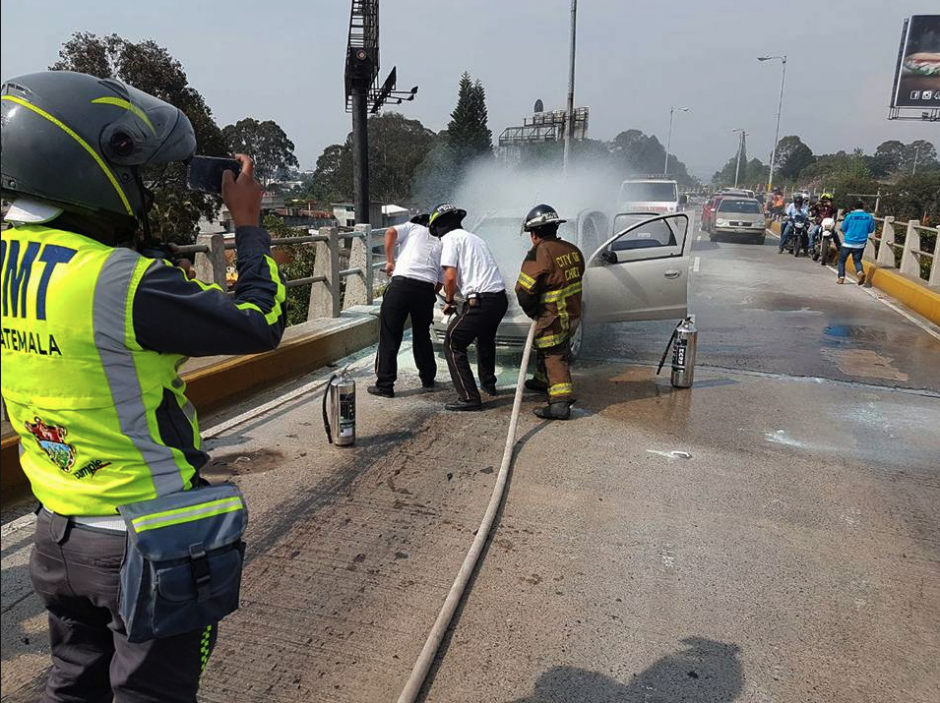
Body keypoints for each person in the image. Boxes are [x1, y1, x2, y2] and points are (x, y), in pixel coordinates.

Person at [0, 71, 285, 702]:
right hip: (143, 539)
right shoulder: (119, 281)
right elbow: (260, 321)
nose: (140, 192)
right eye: (133, 174)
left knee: (73, 685)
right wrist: (248, 225)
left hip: (57, 534)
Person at [433, 203, 509, 411]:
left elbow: (450, 277)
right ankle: (488, 384)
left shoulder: (449, 240)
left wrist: (449, 301)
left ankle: (469, 398)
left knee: (453, 342)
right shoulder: (475, 238)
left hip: (481, 302)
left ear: (438, 227)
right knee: (485, 340)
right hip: (498, 299)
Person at [515, 204, 586, 421]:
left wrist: (532, 311)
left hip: (553, 316)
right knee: (552, 347)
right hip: (572, 313)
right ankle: (541, 380)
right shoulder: (572, 250)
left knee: (553, 354)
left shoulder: (539, 253)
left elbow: (523, 291)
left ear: (534, 234)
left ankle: (560, 403)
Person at [368, 213, 442, 397]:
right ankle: (428, 379)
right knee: (422, 335)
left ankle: (385, 386)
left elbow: (390, 232)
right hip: (426, 290)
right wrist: (425, 294)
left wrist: (390, 261)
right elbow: (439, 283)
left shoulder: (413, 227)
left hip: (401, 286)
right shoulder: (442, 242)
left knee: (390, 336)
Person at [837, 201, 875, 285]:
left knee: (841, 260)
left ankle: (841, 278)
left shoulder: (849, 216)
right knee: (857, 260)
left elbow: (843, 228)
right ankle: (860, 272)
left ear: (854, 208)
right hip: (860, 244)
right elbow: (871, 230)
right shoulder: (869, 217)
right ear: (863, 207)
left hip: (848, 243)